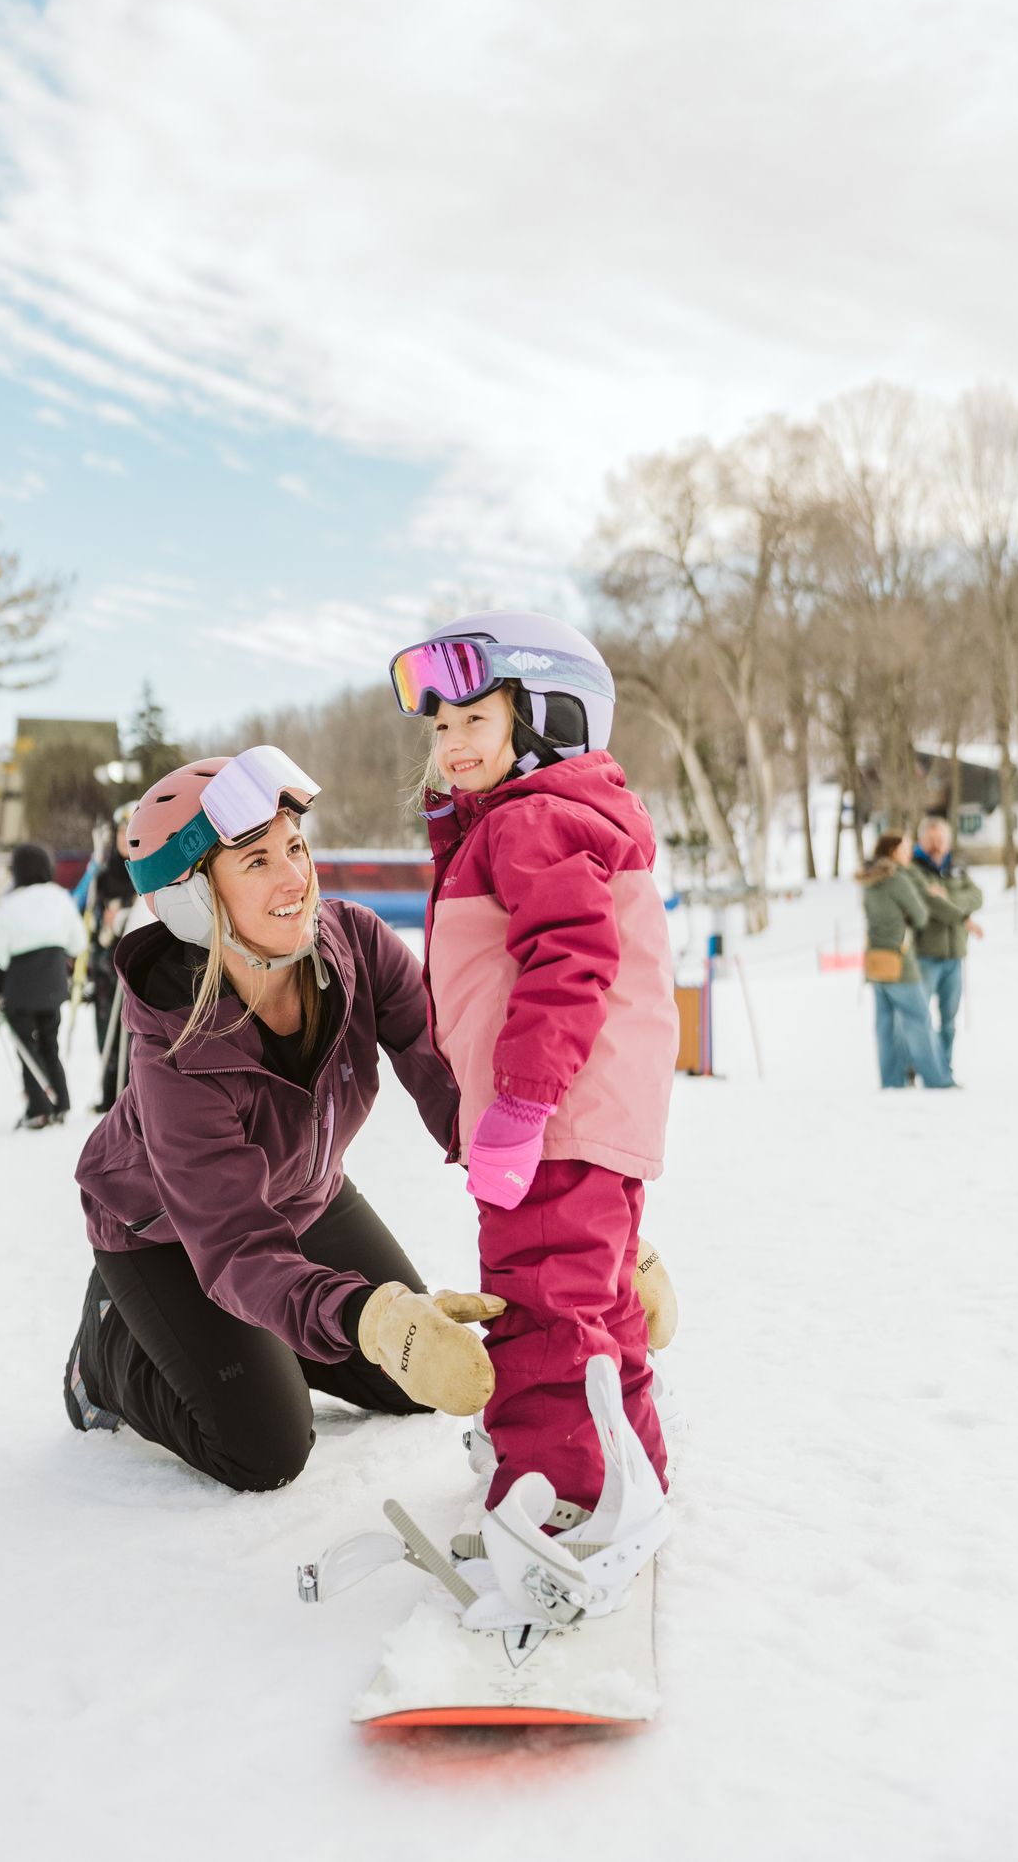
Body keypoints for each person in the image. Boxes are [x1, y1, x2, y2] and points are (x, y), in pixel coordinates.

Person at [65, 748, 503, 1491]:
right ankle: (107, 1350)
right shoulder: (172, 1051)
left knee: (408, 1381)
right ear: (193, 902)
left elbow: (452, 1082)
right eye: (257, 861)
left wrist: (557, 1196)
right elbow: (237, 1247)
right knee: (264, 1448)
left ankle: (280, 1322)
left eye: (295, 847)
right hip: (171, 1235)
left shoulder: (357, 944)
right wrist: (364, 1315)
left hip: (305, 1195)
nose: (295, 879)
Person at [388, 611, 680, 1526]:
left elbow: (570, 963)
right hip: (581, 1123)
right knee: (600, 1314)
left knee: (547, 1319)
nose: (450, 743)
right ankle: (629, 1472)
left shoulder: (534, 821)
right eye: (440, 727)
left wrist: (518, 1108)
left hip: (553, 1123)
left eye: (476, 719)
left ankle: (562, 1507)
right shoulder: (539, 819)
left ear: (548, 718)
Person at [0, 843, 87, 1128]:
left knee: (27, 1048)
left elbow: (0, 953)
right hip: (53, 982)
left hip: (21, 986)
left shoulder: (10, 904)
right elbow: (78, 942)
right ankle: (61, 1102)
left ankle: (39, 1107)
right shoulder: (60, 898)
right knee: (49, 1044)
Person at [858, 830, 955, 1090]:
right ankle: (938, 1079)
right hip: (899, 960)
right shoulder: (897, 879)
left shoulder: (869, 880)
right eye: (905, 848)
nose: (909, 853)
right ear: (892, 852)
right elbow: (921, 915)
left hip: (876, 960)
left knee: (885, 1026)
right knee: (919, 1020)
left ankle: (892, 1082)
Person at [911, 815, 984, 1081]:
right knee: (920, 1015)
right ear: (921, 840)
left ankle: (943, 1067)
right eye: (931, 840)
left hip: (955, 954)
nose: (936, 845)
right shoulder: (915, 868)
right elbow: (931, 906)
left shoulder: (956, 867)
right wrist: (962, 915)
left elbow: (977, 896)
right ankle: (917, 1066)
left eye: (940, 839)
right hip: (925, 954)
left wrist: (949, 899)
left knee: (949, 1020)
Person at [78, 807, 141, 1113]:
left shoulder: (147, 871)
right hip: (104, 963)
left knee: (134, 1031)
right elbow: (83, 907)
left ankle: (132, 1095)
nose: (123, 839)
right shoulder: (104, 872)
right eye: (120, 832)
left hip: (133, 962)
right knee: (105, 1030)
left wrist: (127, 914)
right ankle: (109, 1092)